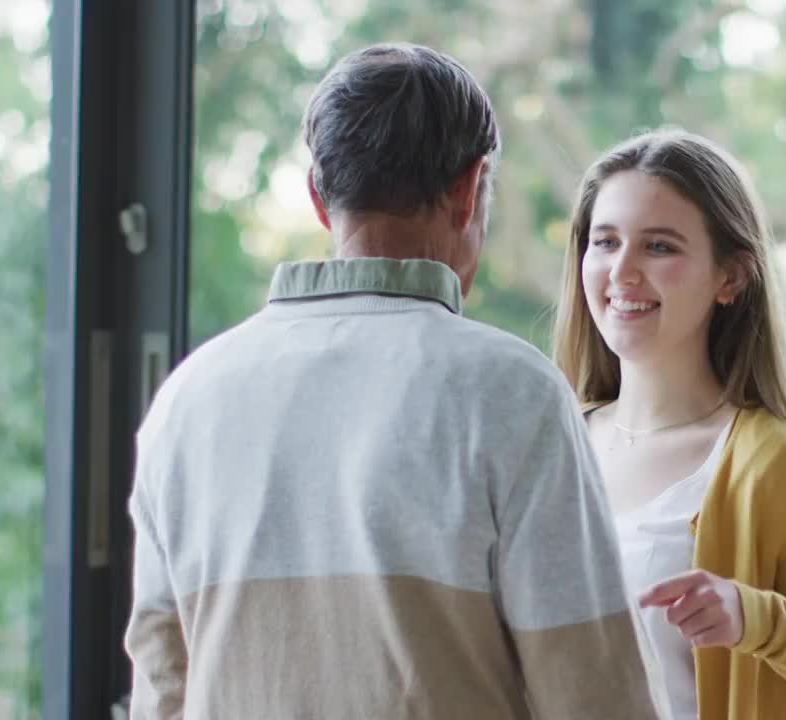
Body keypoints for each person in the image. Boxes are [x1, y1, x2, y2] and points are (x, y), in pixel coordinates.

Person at [124, 43, 663, 719]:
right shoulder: (509, 392)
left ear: (319, 198)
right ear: (469, 190)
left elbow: (161, 687)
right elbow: (593, 695)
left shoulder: (186, 400)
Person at [552, 129, 786, 720]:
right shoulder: (546, 444)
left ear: (731, 277)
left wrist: (760, 621)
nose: (622, 271)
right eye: (605, 242)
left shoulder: (775, 466)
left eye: (659, 247)